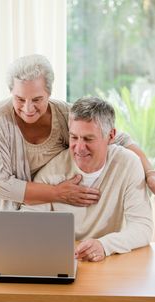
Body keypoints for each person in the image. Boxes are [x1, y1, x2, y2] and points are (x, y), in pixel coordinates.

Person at [0, 54, 155, 235]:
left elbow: (118, 139)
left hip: (38, 209)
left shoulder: (64, 114)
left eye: (37, 99)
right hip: (0, 208)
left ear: (49, 93)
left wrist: (149, 173)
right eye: (19, 99)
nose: (28, 108)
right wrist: (57, 193)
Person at [22, 97, 154, 261]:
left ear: (111, 135)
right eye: (74, 137)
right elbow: (27, 225)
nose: (79, 148)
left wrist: (104, 245)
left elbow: (142, 227)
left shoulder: (128, 164)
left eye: (88, 139)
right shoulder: (52, 171)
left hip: (108, 263)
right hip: (62, 260)